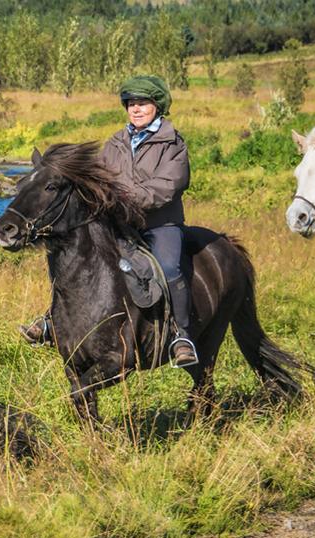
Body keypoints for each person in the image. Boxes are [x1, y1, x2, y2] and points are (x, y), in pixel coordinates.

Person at [20, 75, 196, 367]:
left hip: (159, 225)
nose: (136, 109)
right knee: (75, 259)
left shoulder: (173, 143)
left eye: (143, 103)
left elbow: (170, 184)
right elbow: (99, 178)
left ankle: (181, 335)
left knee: (168, 268)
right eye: (131, 104)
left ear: (158, 106)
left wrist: (124, 197)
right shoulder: (116, 141)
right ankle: (54, 320)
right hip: (119, 222)